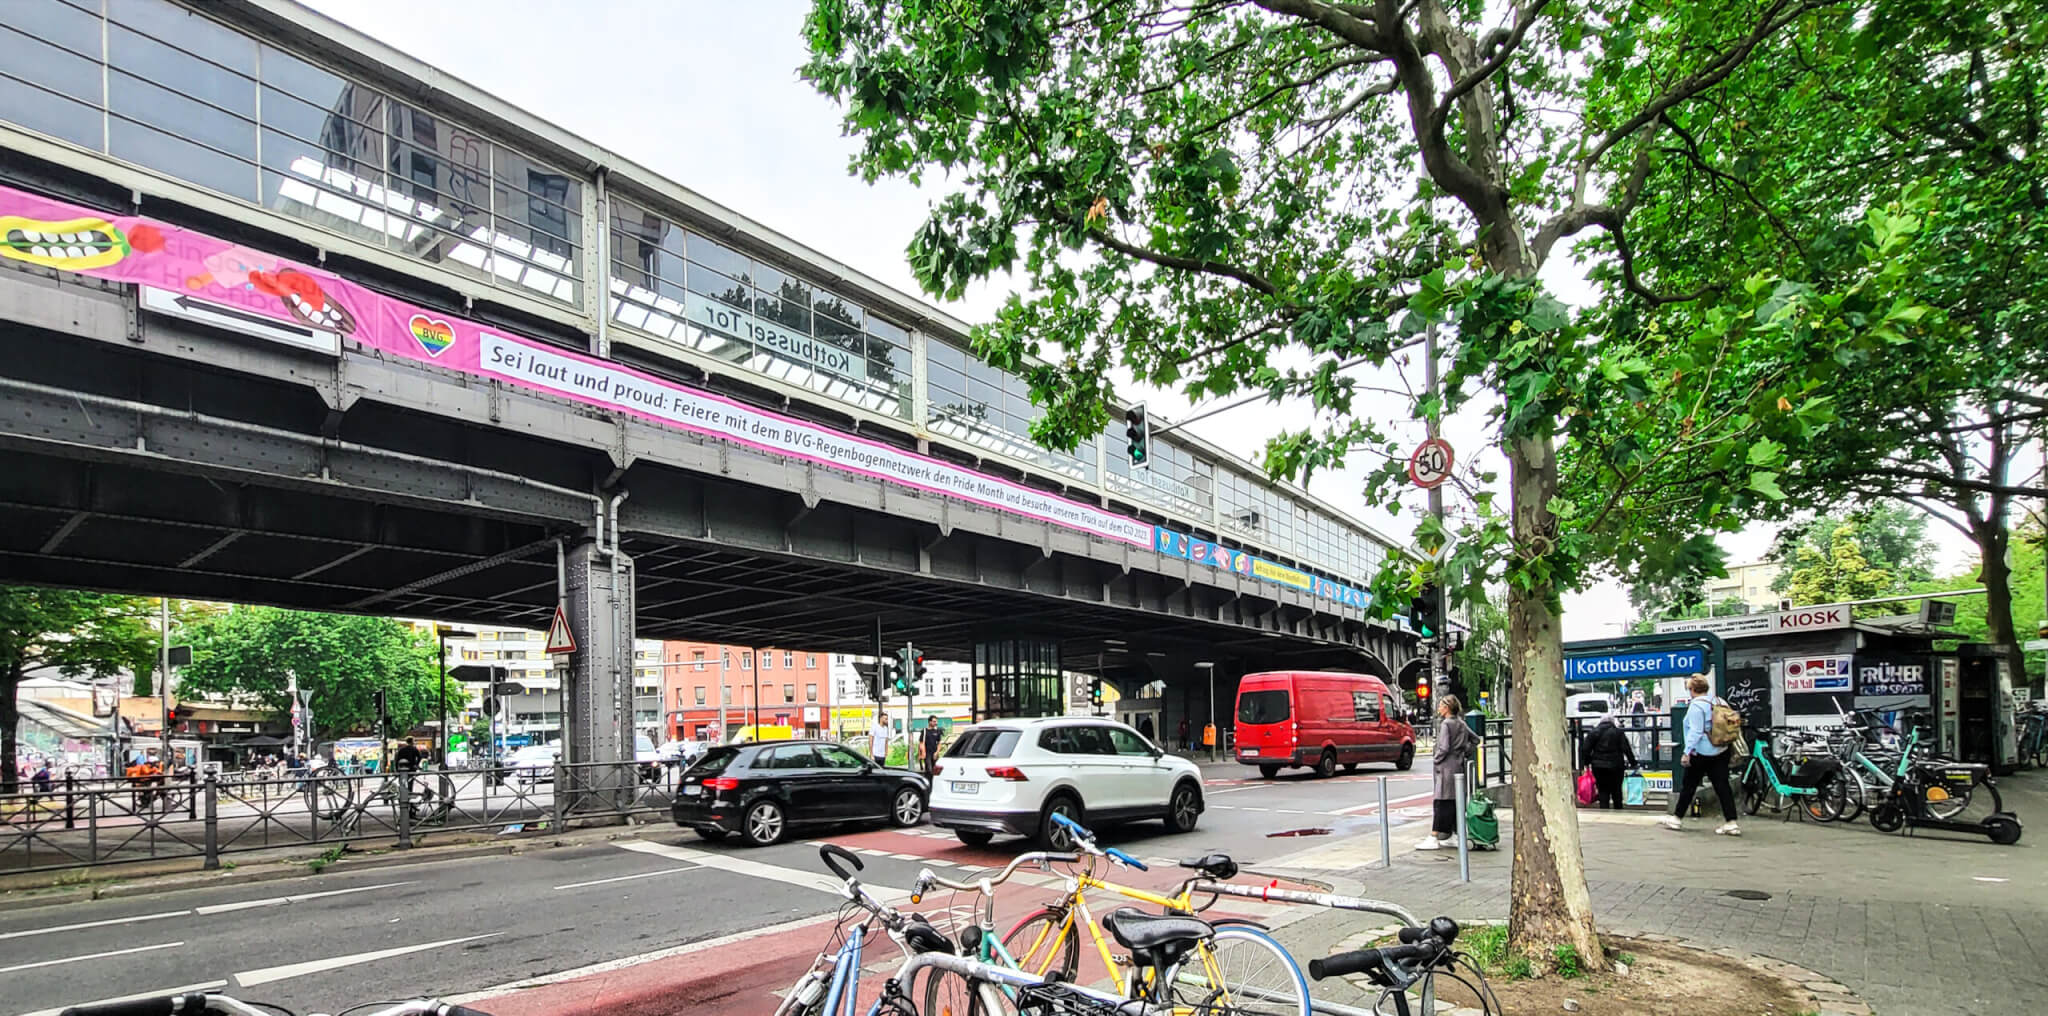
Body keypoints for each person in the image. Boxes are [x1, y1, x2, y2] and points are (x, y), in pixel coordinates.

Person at [1661, 675, 1740, 835]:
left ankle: (1677, 818)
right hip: (1721, 749)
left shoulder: (1696, 706)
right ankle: (1731, 822)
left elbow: (1696, 731)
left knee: (1689, 786)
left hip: (1701, 752)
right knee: (1722, 786)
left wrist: (1686, 752)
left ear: (1692, 689)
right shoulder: (1719, 701)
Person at [1419, 695, 1476, 850]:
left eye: (1440, 705)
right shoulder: (1461, 723)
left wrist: (1437, 759)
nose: (1438, 708)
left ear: (1447, 707)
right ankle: (1453, 834)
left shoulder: (1446, 724)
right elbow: (1475, 739)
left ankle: (1434, 836)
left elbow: (1443, 747)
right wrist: (1464, 752)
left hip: (1445, 768)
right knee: (1455, 801)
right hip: (1457, 766)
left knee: (1441, 801)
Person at [1579, 714, 1637, 810]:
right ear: (1612, 722)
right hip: (1616, 765)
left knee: (1602, 790)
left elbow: (1585, 749)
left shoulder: (1594, 732)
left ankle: (1604, 809)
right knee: (1617, 789)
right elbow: (1626, 749)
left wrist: (1587, 762)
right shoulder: (1618, 733)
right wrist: (1633, 763)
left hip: (1598, 766)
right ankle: (1618, 809)